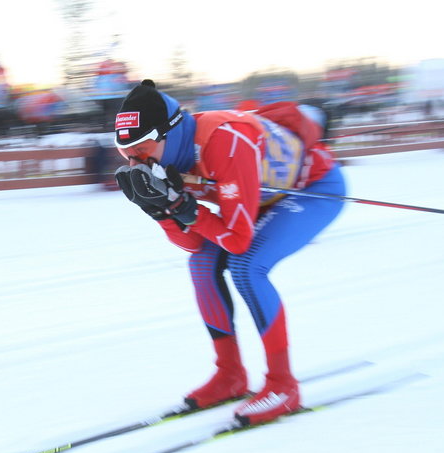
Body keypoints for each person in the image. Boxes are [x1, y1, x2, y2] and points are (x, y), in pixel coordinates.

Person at [113, 79, 347, 426]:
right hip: (265, 197)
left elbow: (237, 240)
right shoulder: (170, 157)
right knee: (202, 265)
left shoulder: (225, 141)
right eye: (125, 152)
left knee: (247, 266)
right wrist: (163, 211)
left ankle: (283, 385)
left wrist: (184, 207)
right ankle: (231, 375)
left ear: (170, 132)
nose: (136, 160)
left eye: (143, 148)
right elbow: (193, 243)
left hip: (314, 189)